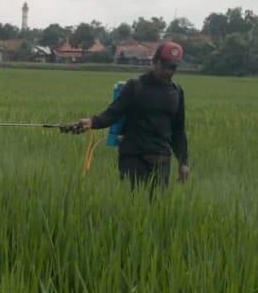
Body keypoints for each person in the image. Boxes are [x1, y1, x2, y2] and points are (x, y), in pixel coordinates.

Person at [67, 40, 190, 189]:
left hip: (161, 160)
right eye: (165, 66)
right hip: (133, 158)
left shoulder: (177, 92)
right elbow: (113, 113)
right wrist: (92, 122)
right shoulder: (136, 86)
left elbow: (178, 130)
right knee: (130, 205)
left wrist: (183, 162)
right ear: (155, 62)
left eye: (173, 67)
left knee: (157, 208)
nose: (168, 71)